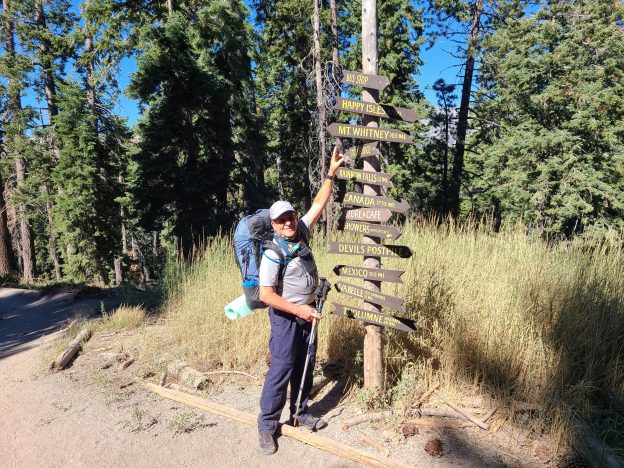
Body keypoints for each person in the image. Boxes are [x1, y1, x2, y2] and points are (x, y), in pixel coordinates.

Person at [257, 146, 345, 455]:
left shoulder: (301, 232)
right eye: (281, 220)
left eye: (290, 216)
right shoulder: (273, 252)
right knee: (281, 371)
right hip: (286, 318)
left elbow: (319, 203)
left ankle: (299, 413)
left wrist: (330, 173)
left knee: (306, 366)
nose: (288, 223)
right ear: (274, 225)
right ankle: (267, 427)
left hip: (310, 314)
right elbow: (265, 294)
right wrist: (299, 310)